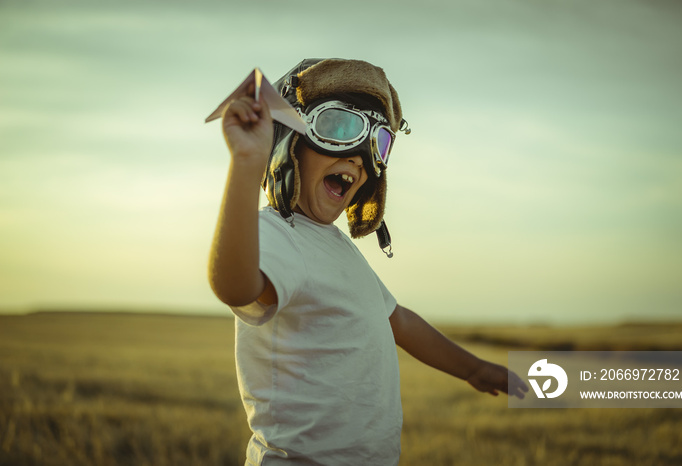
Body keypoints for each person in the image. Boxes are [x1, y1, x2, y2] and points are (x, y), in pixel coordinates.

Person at [208, 58, 528, 465]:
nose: (360, 158)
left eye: (378, 143)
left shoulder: (338, 247)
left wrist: (474, 369)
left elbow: (400, 321)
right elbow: (234, 286)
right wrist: (245, 163)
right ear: (288, 141)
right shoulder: (279, 234)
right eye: (339, 127)